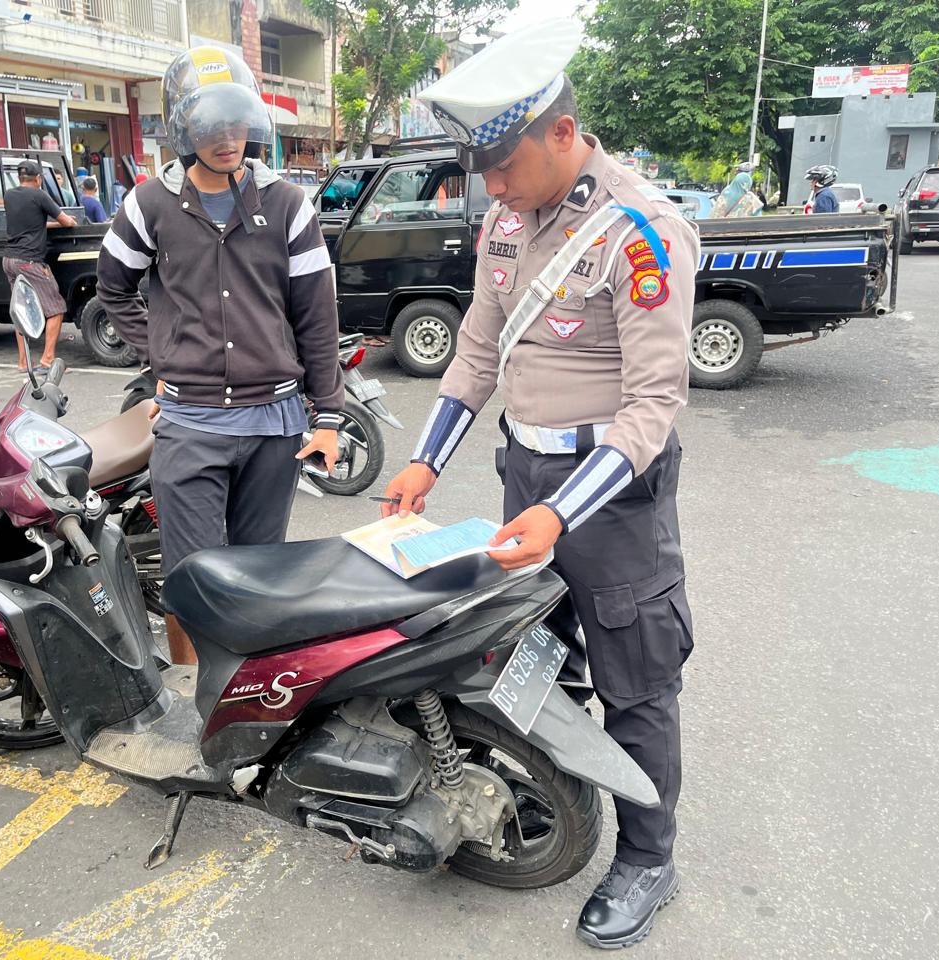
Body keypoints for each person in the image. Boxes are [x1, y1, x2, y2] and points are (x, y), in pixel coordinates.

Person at [381, 19, 698, 950]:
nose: (493, 185)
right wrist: (426, 458)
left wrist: (561, 512)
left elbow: (652, 407)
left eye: (504, 162)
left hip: (608, 497)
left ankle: (647, 857)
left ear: (562, 133)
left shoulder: (640, 234)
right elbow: (479, 345)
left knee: (637, 681)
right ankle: (545, 801)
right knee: (532, 661)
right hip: (526, 471)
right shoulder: (506, 221)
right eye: (480, 168)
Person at [97, 46, 342, 666]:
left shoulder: (288, 204)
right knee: (194, 574)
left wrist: (330, 415)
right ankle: (193, 700)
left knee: (261, 574)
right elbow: (113, 288)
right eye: (210, 125)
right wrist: (162, 352)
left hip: (274, 422)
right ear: (184, 129)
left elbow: (316, 315)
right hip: (190, 423)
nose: (227, 139)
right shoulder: (149, 204)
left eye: (236, 123)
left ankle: (252, 699)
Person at [2, 160, 77, 371]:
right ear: (38, 179)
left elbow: (31, 223)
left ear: (20, 178)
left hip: (9, 260)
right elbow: (66, 221)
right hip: (29, 261)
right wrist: (69, 221)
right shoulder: (39, 195)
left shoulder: (9, 195)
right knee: (56, 308)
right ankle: (47, 359)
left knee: (21, 310)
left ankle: (23, 362)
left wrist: (48, 224)